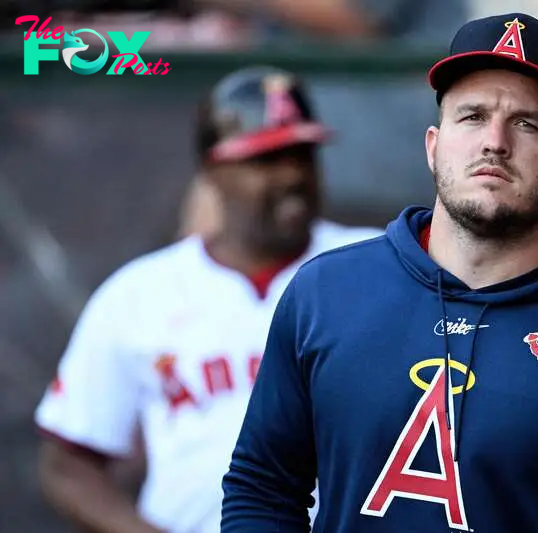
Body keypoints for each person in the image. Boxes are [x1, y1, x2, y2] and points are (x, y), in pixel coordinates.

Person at [221, 12, 538, 533]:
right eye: (472, 116)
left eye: (527, 123)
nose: (495, 141)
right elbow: (262, 488)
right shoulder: (325, 294)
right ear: (434, 145)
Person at [33, 65, 383, 533]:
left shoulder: (379, 262)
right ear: (213, 172)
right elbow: (69, 462)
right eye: (266, 160)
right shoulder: (139, 293)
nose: (292, 176)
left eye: (302, 155)